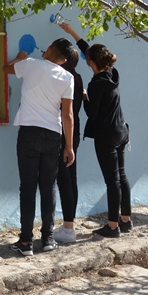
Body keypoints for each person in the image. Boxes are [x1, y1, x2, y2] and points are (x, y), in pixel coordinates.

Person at [3, 39, 76, 256]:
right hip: (53, 135)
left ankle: (25, 242)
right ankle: (48, 238)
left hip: (29, 133)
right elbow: (68, 115)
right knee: (48, 187)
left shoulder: (31, 64)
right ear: (63, 60)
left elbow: (5, 68)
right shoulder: (67, 77)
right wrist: (69, 146)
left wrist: (19, 58)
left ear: (50, 49)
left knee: (27, 187)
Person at [61, 26, 131, 239]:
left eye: (87, 57)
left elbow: (92, 113)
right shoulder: (112, 74)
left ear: (91, 62)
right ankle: (125, 220)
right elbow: (88, 50)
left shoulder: (96, 85)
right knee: (121, 175)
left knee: (112, 181)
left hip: (106, 136)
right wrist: (73, 33)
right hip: (122, 131)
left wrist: (84, 97)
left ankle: (112, 226)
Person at [53, 23, 85, 243]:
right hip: (73, 133)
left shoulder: (64, 80)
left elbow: (65, 114)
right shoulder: (78, 78)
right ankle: (68, 225)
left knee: (64, 179)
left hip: (65, 133)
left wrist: (67, 145)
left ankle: (68, 228)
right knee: (70, 178)